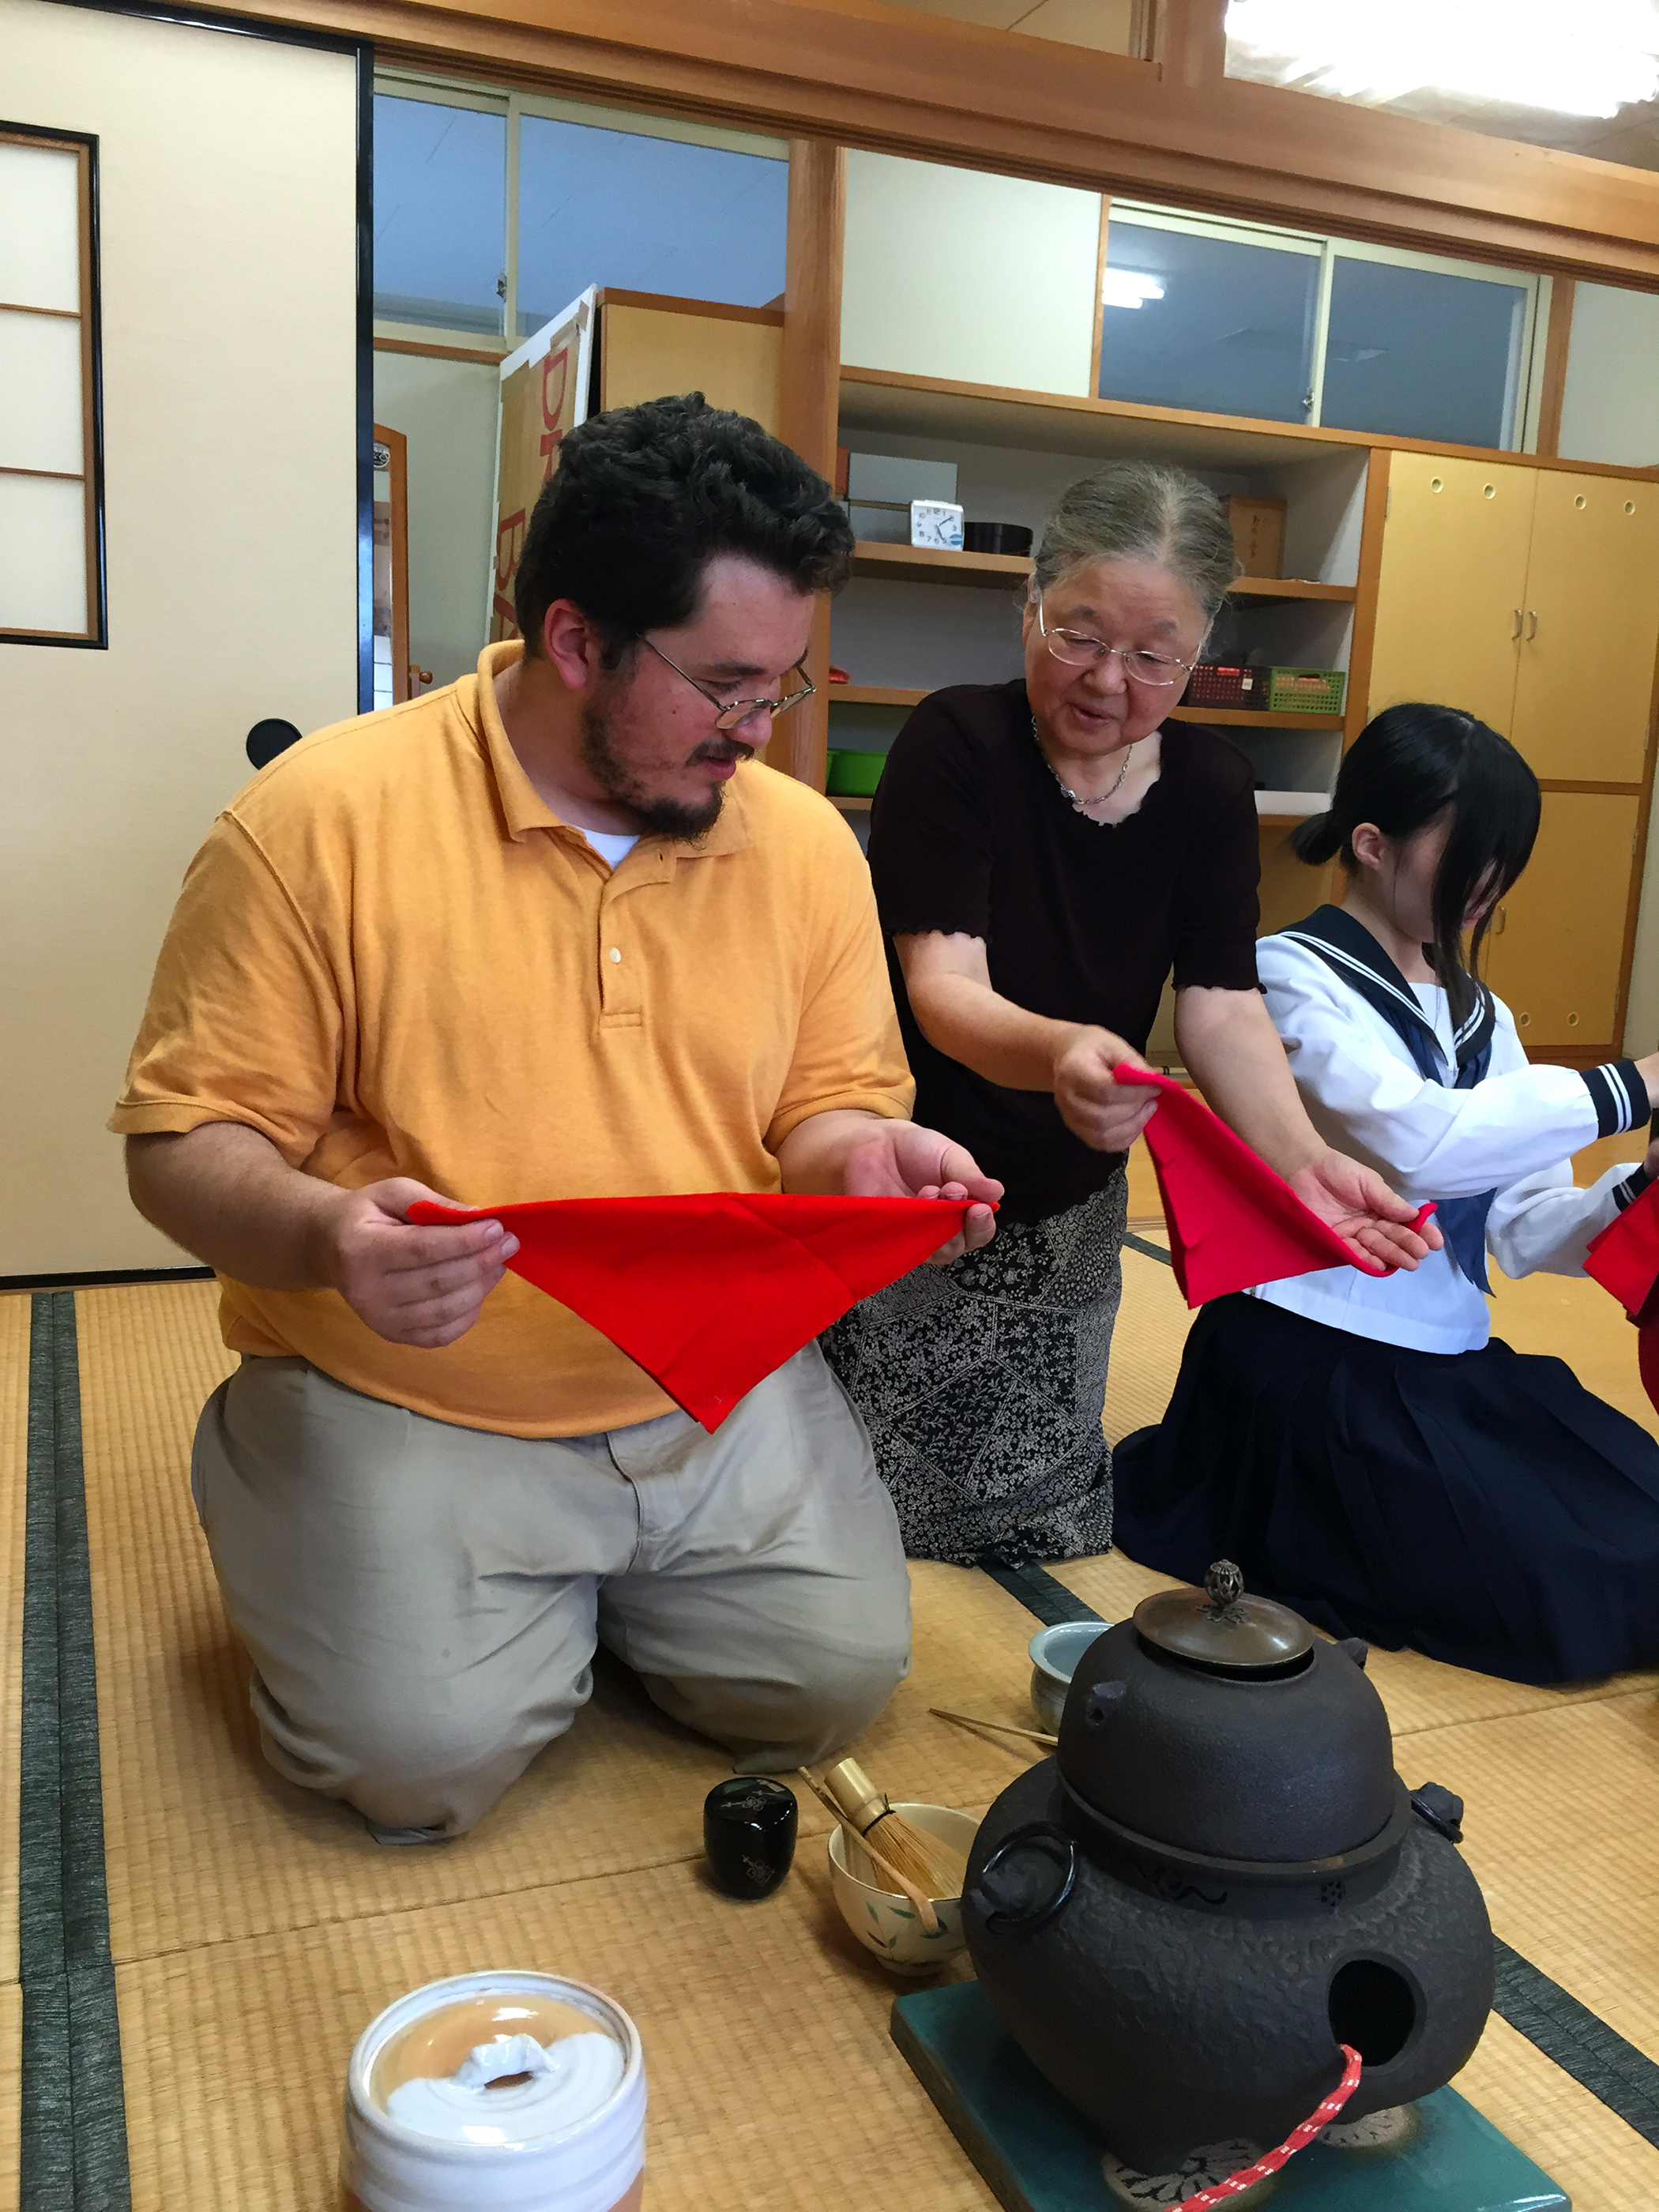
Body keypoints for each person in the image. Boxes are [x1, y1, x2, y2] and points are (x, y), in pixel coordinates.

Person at [111, 393, 1001, 1843]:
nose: (757, 735)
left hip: (708, 1379)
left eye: (782, 686)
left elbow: (826, 1104)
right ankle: (287, 1482)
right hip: (412, 1387)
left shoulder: (801, 847)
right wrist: (331, 1235)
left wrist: (868, 1160)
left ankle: (560, 1599)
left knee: (828, 1693)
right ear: (576, 639)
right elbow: (182, 1146)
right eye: (724, 685)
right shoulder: (318, 822)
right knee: (414, 1767)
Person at [821, 461, 1435, 1567]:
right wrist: (1062, 1050)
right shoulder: (955, 744)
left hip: (1073, 1196)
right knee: (865, 1518)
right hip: (922, 1178)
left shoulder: (1207, 783)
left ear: (1199, 659)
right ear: (1031, 610)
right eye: (1080, 636)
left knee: (1047, 1522)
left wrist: (1296, 1160)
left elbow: (1221, 1003)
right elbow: (944, 991)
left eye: (1155, 656)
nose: (1109, 679)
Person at [1114, 704, 1659, 1686]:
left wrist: (1639, 1187)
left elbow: (1527, 1226)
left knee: (1643, 1520)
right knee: (1563, 1586)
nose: (1490, 884)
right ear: (1371, 844)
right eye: (1473, 853)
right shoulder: (1284, 975)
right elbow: (1425, 1140)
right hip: (1311, 1365)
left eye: (1508, 858)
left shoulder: (1480, 1011)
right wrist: (1637, 1083)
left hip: (1443, 1364)